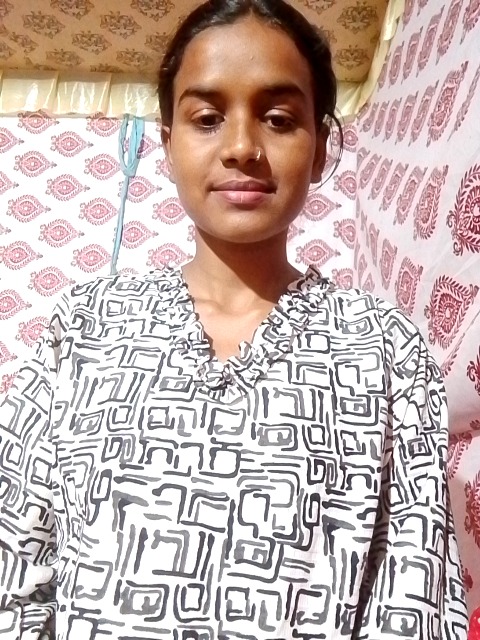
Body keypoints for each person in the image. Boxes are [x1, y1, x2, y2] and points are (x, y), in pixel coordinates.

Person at [0, 1, 469, 638]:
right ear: (168, 142)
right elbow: (14, 560)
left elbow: (413, 595)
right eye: (207, 118)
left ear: (319, 145)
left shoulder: (384, 349)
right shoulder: (85, 327)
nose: (243, 147)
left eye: (278, 119)